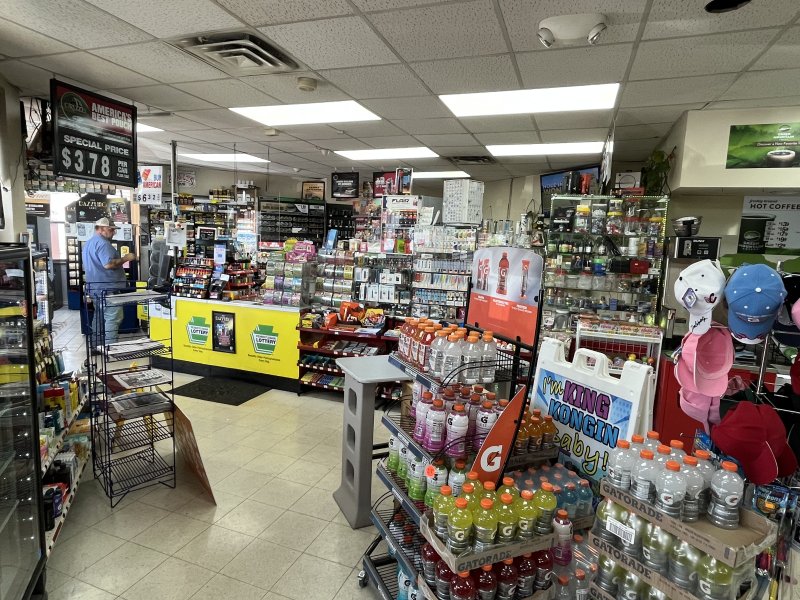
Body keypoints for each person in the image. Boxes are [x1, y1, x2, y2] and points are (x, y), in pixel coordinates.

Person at [83, 217, 135, 349]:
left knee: (99, 318)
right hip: (108, 290)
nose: (114, 232)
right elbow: (109, 264)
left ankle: (96, 346)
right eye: (111, 230)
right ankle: (110, 350)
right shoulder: (103, 244)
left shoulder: (88, 243)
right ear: (101, 229)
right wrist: (126, 258)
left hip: (96, 288)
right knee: (113, 318)